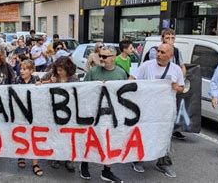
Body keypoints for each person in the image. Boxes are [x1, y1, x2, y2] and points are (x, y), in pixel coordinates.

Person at [130, 43, 184, 178]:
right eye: (158, 51)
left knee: (164, 136)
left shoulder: (176, 69)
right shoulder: (146, 65)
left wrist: (176, 87)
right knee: (144, 134)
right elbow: (132, 79)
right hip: (146, 108)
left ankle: (163, 163)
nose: (159, 54)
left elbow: (182, 87)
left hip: (165, 111)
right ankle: (137, 160)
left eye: (163, 52)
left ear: (170, 56)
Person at [80, 46, 126, 182]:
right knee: (89, 140)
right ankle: (84, 165)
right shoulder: (93, 72)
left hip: (112, 116)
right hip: (93, 113)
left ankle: (107, 171)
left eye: (104, 57)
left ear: (113, 57)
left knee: (109, 142)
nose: (100, 59)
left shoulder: (121, 73)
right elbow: (83, 90)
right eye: (100, 55)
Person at [148, 29, 187, 140]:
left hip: (170, 89)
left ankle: (168, 135)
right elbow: (157, 66)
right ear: (162, 39)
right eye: (167, 38)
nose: (170, 40)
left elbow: (182, 66)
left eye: (172, 38)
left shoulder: (177, 51)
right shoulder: (155, 51)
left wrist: (180, 78)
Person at [42, 57, 77, 172]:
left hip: (69, 113)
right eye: (57, 69)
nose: (59, 72)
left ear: (68, 69)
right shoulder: (51, 75)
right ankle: (55, 157)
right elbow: (38, 83)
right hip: (53, 111)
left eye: (61, 70)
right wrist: (48, 82)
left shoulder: (74, 79)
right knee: (55, 134)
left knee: (68, 136)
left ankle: (68, 159)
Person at [15, 59, 43, 176]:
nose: (22, 71)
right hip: (20, 113)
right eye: (21, 69)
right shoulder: (17, 80)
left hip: (34, 113)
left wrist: (41, 86)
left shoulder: (36, 80)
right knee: (21, 135)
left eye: (25, 69)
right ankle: (21, 156)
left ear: (31, 71)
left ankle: (35, 163)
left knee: (33, 136)